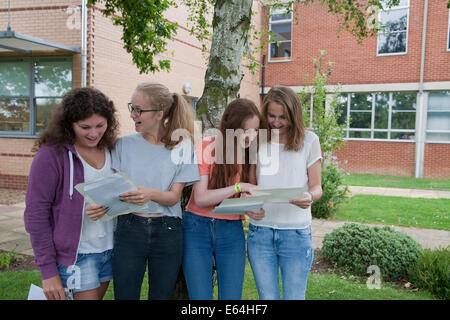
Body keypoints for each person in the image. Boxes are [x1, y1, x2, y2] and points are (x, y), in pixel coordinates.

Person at [24, 87, 119, 300]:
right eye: (84, 127)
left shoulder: (113, 149)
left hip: (109, 249)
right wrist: (48, 271)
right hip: (75, 256)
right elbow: (35, 214)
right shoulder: (50, 155)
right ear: (70, 124)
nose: (93, 133)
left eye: (100, 125)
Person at [111, 82, 199, 300]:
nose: (132, 114)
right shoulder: (122, 145)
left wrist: (148, 194)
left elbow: (173, 198)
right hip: (129, 229)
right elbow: (112, 190)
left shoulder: (183, 146)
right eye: (132, 107)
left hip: (167, 232)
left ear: (160, 114)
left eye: (139, 110)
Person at [182, 98, 266, 300]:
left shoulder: (249, 156)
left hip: (231, 231)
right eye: (247, 130)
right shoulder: (205, 147)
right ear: (232, 127)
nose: (252, 136)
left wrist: (254, 210)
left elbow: (246, 197)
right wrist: (237, 187)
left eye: (256, 130)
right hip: (197, 228)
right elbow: (201, 198)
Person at [247, 86, 323, 300]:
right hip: (260, 234)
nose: (277, 122)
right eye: (271, 116)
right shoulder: (257, 140)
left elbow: (317, 187)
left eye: (283, 117)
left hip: (296, 234)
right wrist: (250, 207)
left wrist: (309, 196)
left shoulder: (309, 141)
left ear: (294, 115)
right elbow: (251, 188)